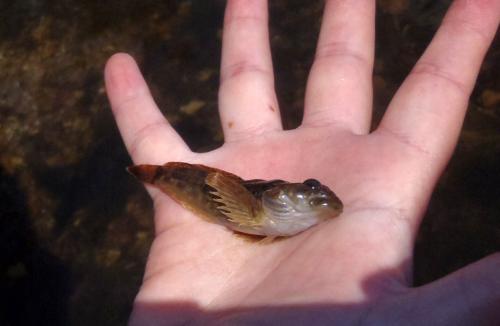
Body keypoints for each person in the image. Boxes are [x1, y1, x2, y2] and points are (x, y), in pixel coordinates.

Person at [104, 0, 500, 324]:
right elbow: (231, 192)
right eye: (308, 193)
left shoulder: (288, 215)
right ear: (281, 196)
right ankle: (157, 174)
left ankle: (157, 174)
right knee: (171, 175)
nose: (316, 197)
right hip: (213, 188)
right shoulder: (261, 209)